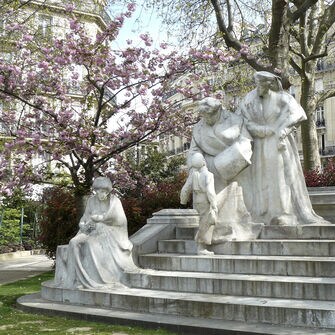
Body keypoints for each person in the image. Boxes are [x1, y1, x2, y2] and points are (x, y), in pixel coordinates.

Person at [237, 71, 329, 225]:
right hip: (258, 144)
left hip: (278, 143)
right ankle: (261, 212)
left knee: (280, 177)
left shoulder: (283, 97)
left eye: (262, 83)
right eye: (257, 83)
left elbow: (299, 114)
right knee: (260, 177)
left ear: (271, 84)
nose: (258, 86)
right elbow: (240, 118)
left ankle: (284, 212)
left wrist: (283, 127)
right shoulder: (250, 98)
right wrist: (257, 129)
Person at [54, 176, 138, 289]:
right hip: (90, 230)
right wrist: (82, 224)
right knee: (73, 242)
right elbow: (85, 217)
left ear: (108, 191)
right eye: (99, 191)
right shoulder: (91, 200)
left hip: (109, 233)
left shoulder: (114, 201)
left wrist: (101, 219)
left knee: (90, 244)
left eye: (104, 191)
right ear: (96, 190)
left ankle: (93, 280)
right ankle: (73, 279)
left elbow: (120, 221)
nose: (101, 194)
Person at [188, 97, 252, 193]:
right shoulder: (198, 128)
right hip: (210, 171)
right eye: (204, 116)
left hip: (236, 170)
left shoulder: (235, 120)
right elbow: (194, 150)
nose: (207, 119)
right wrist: (195, 166)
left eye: (210, 115)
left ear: (219, 110)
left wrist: (231, 158)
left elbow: (247, 141)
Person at [180, 153, 217, 255]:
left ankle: (200, 246)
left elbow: (185, 189)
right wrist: (214, 206)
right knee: (205, 224)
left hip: (197, 201)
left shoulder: (193, 175)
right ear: (204, 162)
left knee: (201, 222)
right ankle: (201, 248)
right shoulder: (208, 175)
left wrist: (183, 202)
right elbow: (210, 191)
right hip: (205, 201)